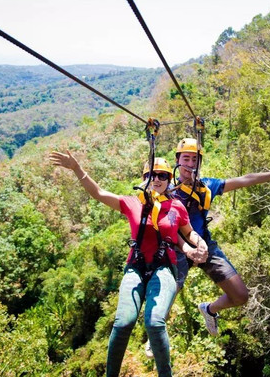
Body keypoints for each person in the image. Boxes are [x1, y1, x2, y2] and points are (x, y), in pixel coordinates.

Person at [50, 151, 207, 377]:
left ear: (168, 180)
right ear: (145, 178)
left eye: (163, 175)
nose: (157, 179)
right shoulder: (132, 203)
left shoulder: (176, 207)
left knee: (154, 322)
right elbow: (99, 193)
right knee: (123, 323)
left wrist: (199, 246)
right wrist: (77, 169)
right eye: (152, 174)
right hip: (136, 265)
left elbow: (189, 233)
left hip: (165, 267)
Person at [173, 138, 270, 336]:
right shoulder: (167, 190)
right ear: (177, 160)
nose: (190, 165)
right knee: (168, 294)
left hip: (205, 246)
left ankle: (209, 309)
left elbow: (245, 179)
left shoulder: (206, 186)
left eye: (194, 160)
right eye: (186, 159)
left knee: (240, 295)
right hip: (178, 247)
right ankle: (154, 334)